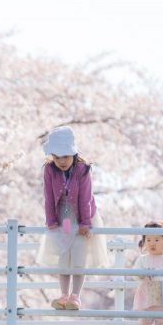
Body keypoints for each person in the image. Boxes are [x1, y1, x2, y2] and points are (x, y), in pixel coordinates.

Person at [39, 126, 108, 311]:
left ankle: (75, 296)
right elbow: (48, 196)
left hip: (82, 216)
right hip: (65, 218)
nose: (61, 161)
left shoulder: (83, 170)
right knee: (64, 253)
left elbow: (86, 197)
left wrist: (86, 222)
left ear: (73, 153)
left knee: (79, 254)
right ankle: (63, 294)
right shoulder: (49, 170)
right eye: (57, 156)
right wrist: (51, 219)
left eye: (65, 156)